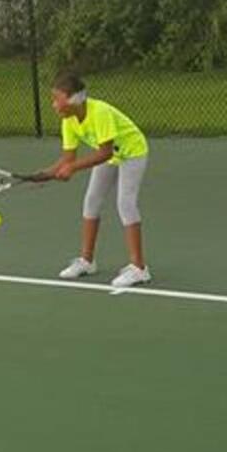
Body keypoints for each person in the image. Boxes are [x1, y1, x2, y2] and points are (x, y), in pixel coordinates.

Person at [46, 71, 151, 290]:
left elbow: (104, 153)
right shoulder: (69, 121)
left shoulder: (99, 112)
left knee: (125, 203)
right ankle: (87, 261)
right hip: (112, 155)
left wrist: (72, 169)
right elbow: (67, 158)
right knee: (91, 201)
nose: (54, 105)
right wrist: (43, 176)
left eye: (57, 99)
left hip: (132, 151)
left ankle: (139, 268)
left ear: (74, 100)